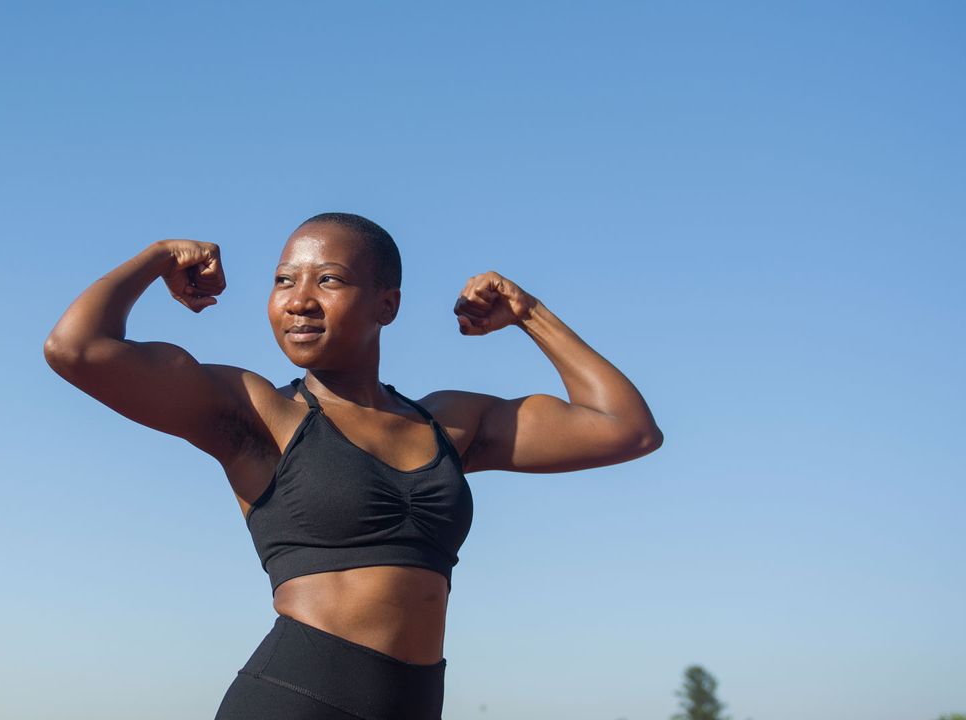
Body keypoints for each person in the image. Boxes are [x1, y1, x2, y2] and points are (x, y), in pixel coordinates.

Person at [42, 212, 663, 719]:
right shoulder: (256, 413)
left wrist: (529, 313)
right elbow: (77, 349)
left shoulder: (449, 424)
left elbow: (626, 429)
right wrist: (158, 257)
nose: (300, 302)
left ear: (386, 305)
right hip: (294, 701)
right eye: (284, 280)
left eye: (329, 280)